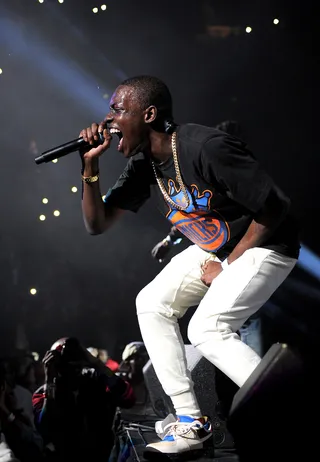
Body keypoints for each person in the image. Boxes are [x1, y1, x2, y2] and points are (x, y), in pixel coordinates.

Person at [78, 75, 300, 456]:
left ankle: (289, 412)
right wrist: (89, 168)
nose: (108, 119)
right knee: (150, 302)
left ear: (148, 114)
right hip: (215, 248)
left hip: (267, 242)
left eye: (118, 109)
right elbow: (97, 224)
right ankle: (190, 423)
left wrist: (229, 267)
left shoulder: (206, 146)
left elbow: (276, 207)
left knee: (207, 327)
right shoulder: (144, 164)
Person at [32, 337, 135, 461]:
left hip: (102, 455)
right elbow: (44, 426)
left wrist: (97, 364)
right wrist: (50, 382)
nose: (72, 366)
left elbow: (127, 398)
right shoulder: (44, 392)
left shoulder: (96, 380)